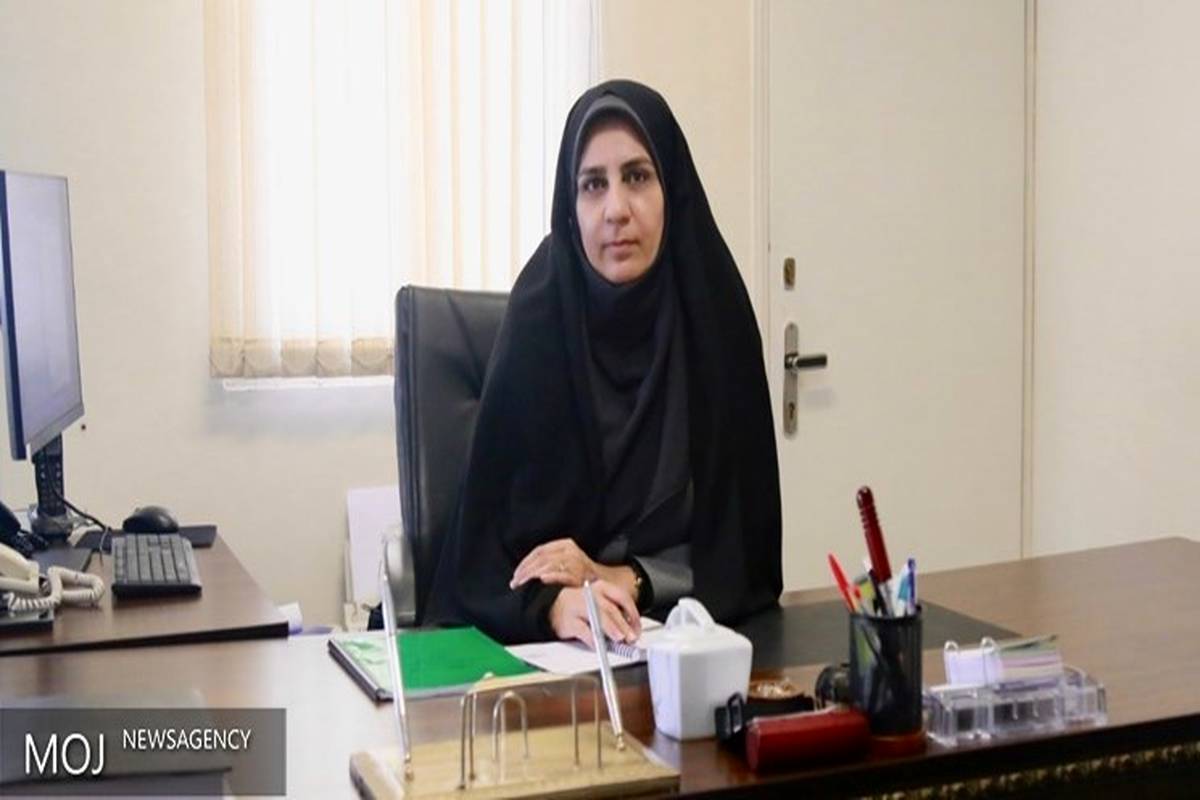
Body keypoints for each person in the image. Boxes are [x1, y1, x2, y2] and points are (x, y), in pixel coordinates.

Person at [426, 79, 782, 645]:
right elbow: (480, 555)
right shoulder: (538, 319)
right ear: (571, 208)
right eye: (593, 184)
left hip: (684, 641)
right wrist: (550, 606)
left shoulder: (716, 317)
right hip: (554, 661)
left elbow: (747, 554)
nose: (616, 210)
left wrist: (627, 578)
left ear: (672, 189)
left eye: (637, 177)